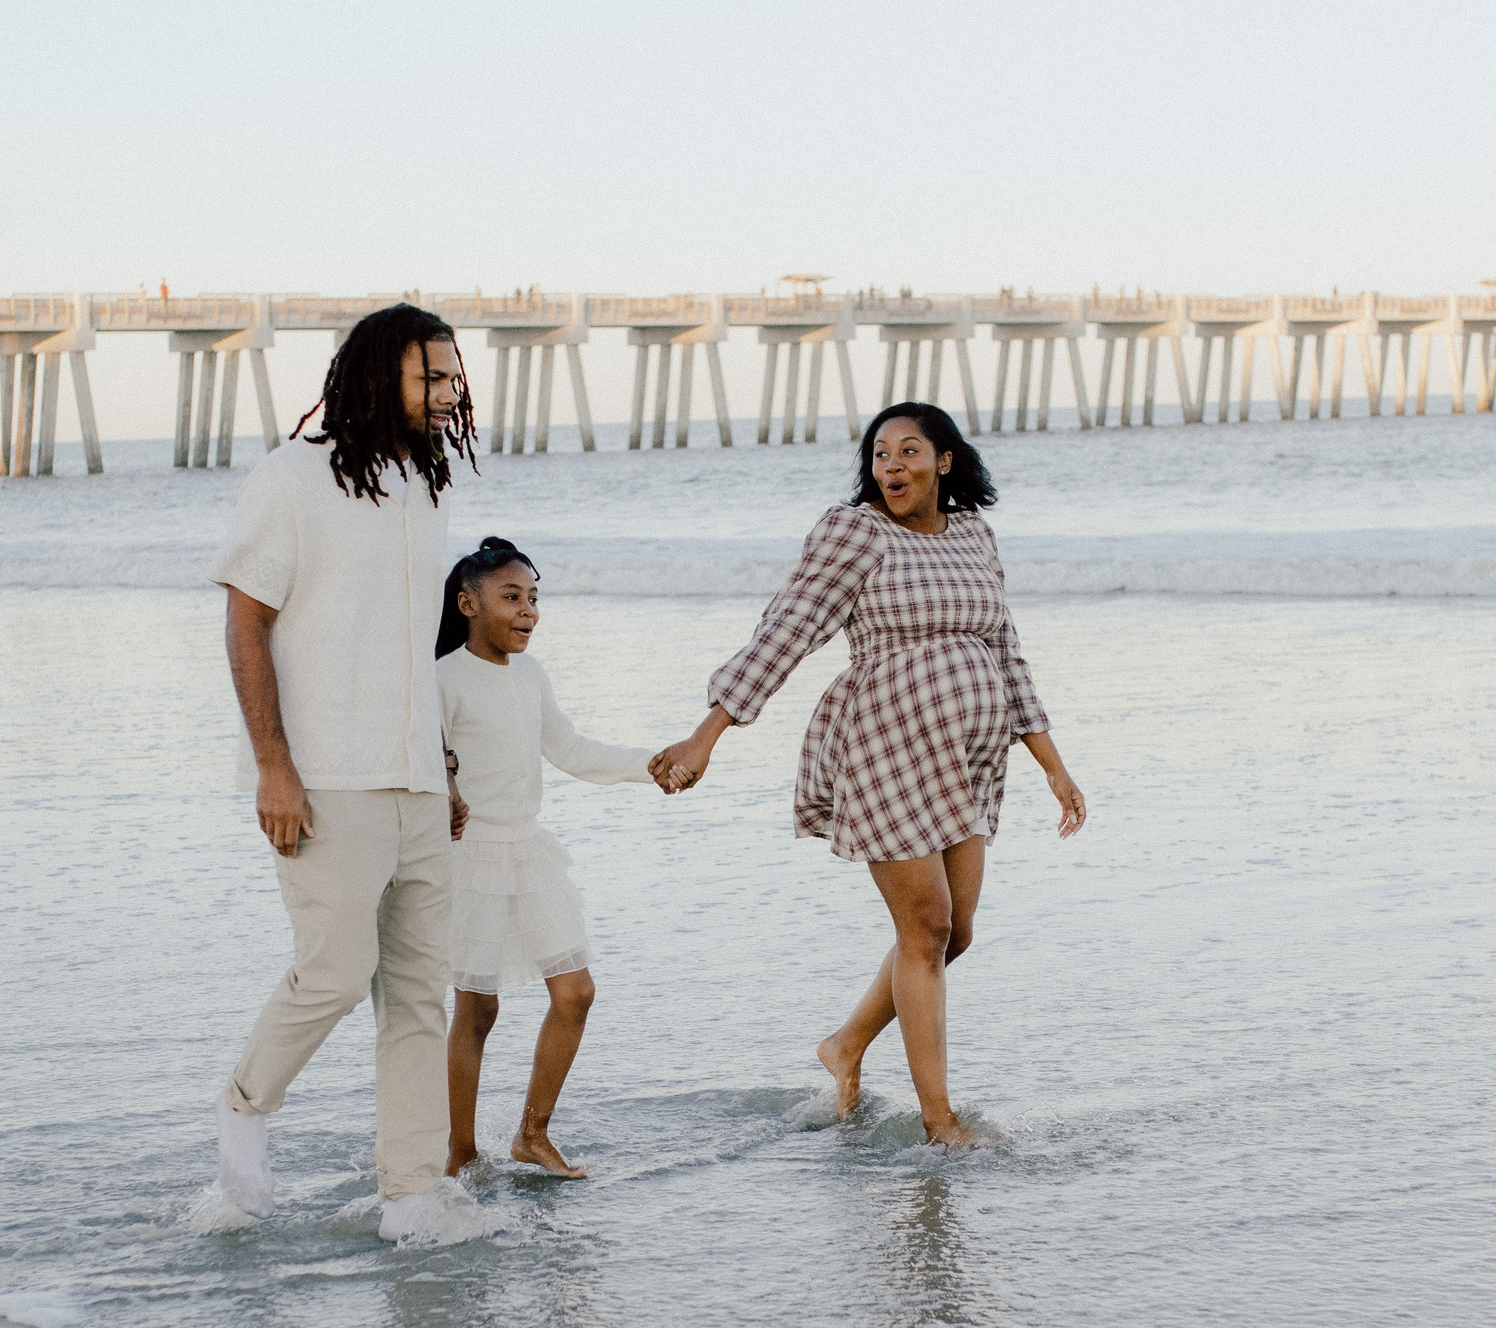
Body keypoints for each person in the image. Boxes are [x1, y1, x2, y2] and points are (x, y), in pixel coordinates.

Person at [652, 402, 1085, 1148]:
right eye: (880, 453)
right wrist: (706, 735)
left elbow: (1008, 651)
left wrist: (1052, 763)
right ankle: (938, 1120)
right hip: (886, 746)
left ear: (944, 461)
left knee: (957, 933)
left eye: (910, 450)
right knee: (925, 929)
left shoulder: (976, 537)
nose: (892, 465)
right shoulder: (855, 532)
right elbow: (786, 628)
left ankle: (847, 1042)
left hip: (968, 762)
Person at [201, 302, 483, 1239]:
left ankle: (409, 1194)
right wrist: (273, 767)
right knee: (332, 971)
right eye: (430, 378)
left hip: (413, 777)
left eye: (452, 378)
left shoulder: (426, 487)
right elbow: (247, 621)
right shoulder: (292, 478)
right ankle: (244, 1110)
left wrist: (440, 761)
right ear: (377, 376)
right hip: (324, 776)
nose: (448, 393)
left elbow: (409, 645)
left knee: (416, 994)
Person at [436, 538, 673, 1181]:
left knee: (576, 993)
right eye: (512, 597)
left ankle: (531, 1134)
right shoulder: (443, 678)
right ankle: (460, 1150)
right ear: (468, 604)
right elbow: (423, 758)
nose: (528, 611)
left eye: (534, 598)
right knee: (477, 1010)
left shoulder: (532, 677)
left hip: (529, 853)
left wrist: (648, 768)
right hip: (471, 859)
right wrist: (446, 790)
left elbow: (570, 749)